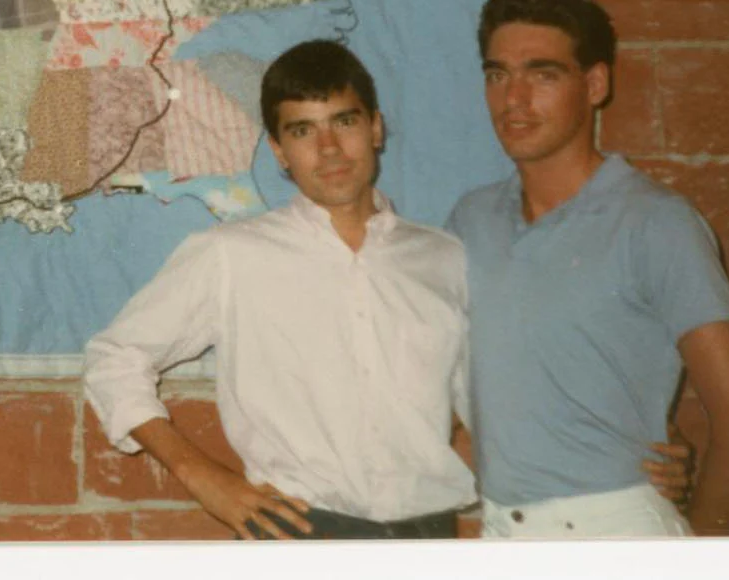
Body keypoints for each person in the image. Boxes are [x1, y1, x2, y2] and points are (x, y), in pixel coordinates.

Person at [82, 39, 475, 539]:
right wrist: (202, 477)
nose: (329, 148)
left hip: (430, 538)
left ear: (375, 127)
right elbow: (113, 358)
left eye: (345, 121)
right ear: (278, 150)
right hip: (298, 534)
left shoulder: (444, 258)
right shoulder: (232, 255)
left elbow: (478, 399)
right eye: (303, 130)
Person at [448, 0, 729, 538]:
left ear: (595, 84)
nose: (514, 98)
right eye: (497, 74)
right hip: (497, 527)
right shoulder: (470, 219)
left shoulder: (656, 223)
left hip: (610, 530)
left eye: (543, 74)